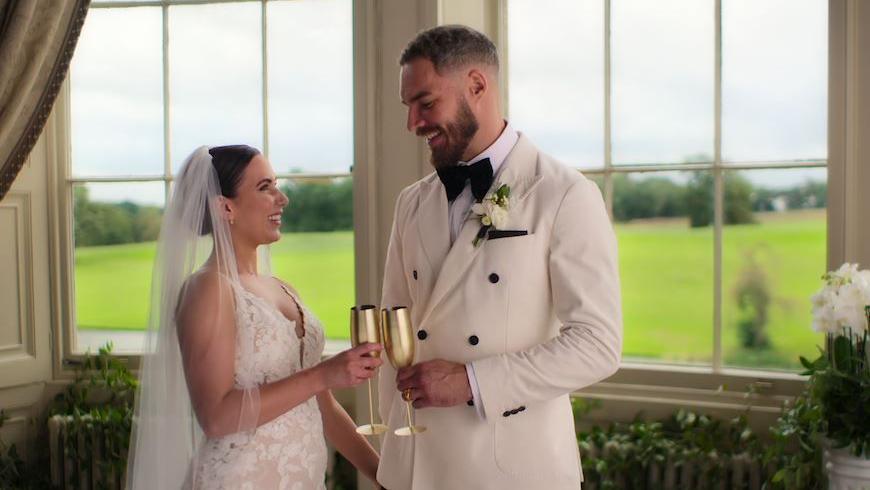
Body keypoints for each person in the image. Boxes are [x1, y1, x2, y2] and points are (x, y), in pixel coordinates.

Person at [377, 25, 623, 489]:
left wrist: (472, 382)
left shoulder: (565, 194)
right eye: (407, 107)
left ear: (477, 86)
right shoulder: (411, 202)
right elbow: (397, 327)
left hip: (509, 469)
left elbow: (598, 343)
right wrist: (390, 460)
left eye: (425, 103)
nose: (413, 124)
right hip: (413, 465)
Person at [126, 145, 382, 489]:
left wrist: (384, 477)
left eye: (276, 185)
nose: (282, 199)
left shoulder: (283, 288)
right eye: (265, 188)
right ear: (225, 207)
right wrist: (324, 374)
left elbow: (323, 407)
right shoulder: (207, 289)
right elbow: (215, 417)